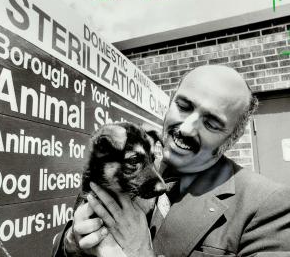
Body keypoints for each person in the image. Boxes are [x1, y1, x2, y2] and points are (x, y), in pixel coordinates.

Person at [52, 65, 290, 257]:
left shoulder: (268, 206)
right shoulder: (122, 168)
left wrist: (140, 252)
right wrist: (71, 243)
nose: (186, 128)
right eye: (183, 106)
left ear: (232, 138)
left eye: (211, 123)